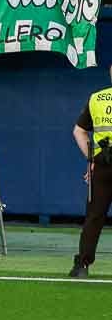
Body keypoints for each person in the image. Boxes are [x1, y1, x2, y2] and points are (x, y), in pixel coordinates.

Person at [71, 63, 112, 278]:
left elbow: (79, 131)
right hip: (101, 165)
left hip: (103, 164)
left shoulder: (96, 98)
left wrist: (91, 160)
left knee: (94, 216)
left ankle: (82, 266)